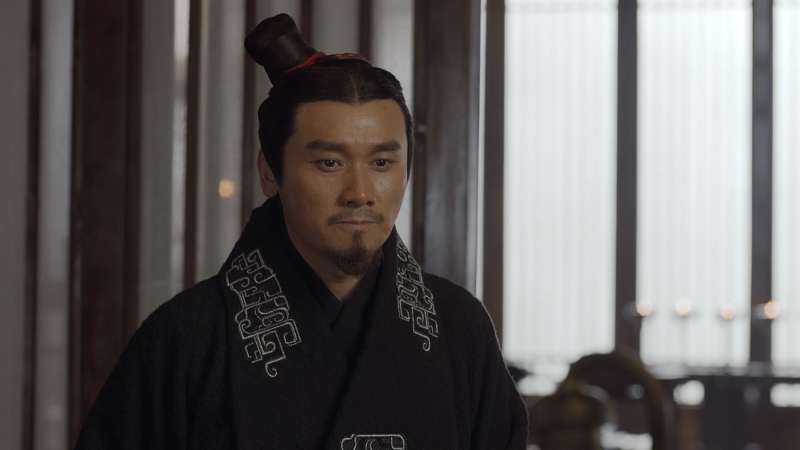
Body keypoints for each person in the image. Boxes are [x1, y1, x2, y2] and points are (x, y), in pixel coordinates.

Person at [75, 13, 527, 450]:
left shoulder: (459, 328)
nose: (360, 193)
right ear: (269, 172)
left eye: (381, 162)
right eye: (329, 162)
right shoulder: (187, 337)